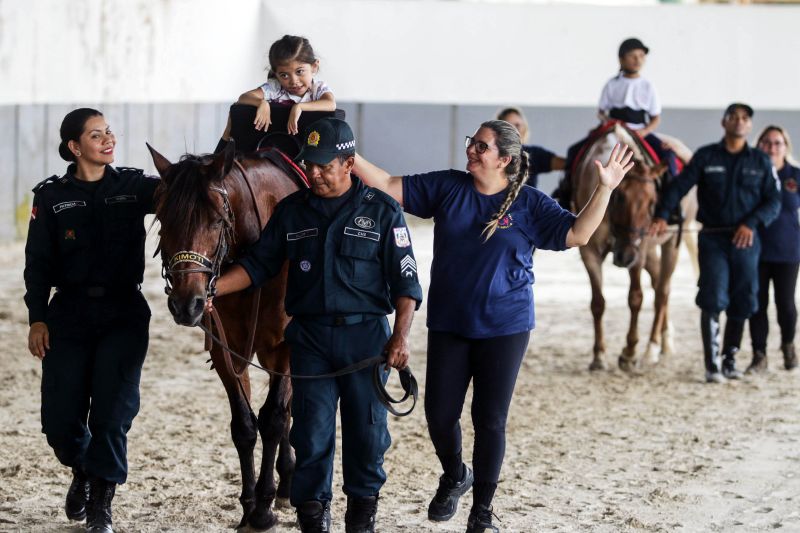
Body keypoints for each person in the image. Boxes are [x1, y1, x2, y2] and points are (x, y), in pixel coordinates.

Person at [353, 120, 634, 532]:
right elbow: (387, 184)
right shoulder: (448, 187)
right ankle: (455, 475)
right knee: (439, 415)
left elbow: (578, 233)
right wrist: (347, 152)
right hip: (450, 322)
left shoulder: (530, 204)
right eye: (473, 142)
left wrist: (604, 188)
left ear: (504, 159)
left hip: (506, 327)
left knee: (490, 420)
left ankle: (481, 513)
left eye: (481, 146)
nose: (471, 149)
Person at [207, 117, 423, 533]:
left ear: (348, 164)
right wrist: (214, 288)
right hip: (310, 341)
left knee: (367, 436)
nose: (315, 173)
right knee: (309, 436)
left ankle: (361, 518)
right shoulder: (292, 211)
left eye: (325, 165)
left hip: (365, 341)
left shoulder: (383, 211)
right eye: (310, 164)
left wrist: (400, 336)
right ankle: (312, 518)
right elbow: (258, 265)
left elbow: (406, 283)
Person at [24, 108, 159, 532]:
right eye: (96, 135)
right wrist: (37, 319)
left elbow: (186, 190)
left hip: (124, 313)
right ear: (74, 146)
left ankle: (101, 502)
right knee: (60, 423)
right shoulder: (51, 196)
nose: (108, 140)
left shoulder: (134, 186)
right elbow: (37, 263)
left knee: (112, 415)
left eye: (109, 132)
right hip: (69, 315)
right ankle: (82, 468)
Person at [650, 103, 781, 383]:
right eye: (733, 117)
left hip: (746, 240)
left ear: (750, 125)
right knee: (713, 297)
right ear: (724, 122)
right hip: (713, 239)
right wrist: (661, 215)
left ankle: (729, 359)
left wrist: (752, 223)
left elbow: (774, 201)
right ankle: (712, 366)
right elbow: (679, 187)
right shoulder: (706, 156)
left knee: (744, 298)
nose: (739, 121)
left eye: (744, 118)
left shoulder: (760, 161)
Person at [554, 37, 677, 208]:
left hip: (638, 131)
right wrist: (609, 123)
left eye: (641, 56)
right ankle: (566, 195)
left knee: (668, 155)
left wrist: (644, 132)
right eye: (633, 56)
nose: (638, 60)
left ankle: (671, 204)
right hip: (612, 129)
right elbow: (602, 112)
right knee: (574, 150)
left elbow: (656, 118)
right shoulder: (612, 84)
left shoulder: (648, 86)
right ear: (621, 59)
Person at [216, 34, 336, 149]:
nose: (294, 81)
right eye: (284, 75)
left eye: (299, 72)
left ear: (314, 66)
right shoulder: (275, 88)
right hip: (273, 148)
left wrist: (299, 107)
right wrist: (262, 103)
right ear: (276, 74)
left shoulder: (317, 89)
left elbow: (330, 104)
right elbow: (244, 97)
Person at [746, 125, 800, 373]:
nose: (772, 147)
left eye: (777, 143)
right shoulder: (751, 173)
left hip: (788, 250)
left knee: (786, 304)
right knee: (757, 304)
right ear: (759, 145)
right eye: (767, 142)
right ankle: (759, 355)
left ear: (786, 146)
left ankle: (788, 345)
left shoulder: (795, 175)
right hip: (755, 249)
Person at [496, 107, 565, 189]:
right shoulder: (491, 154)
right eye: (509, 126)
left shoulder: (533, 154)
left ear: (524, 128)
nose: (514, 130)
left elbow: (568, 165)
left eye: (517, 125)